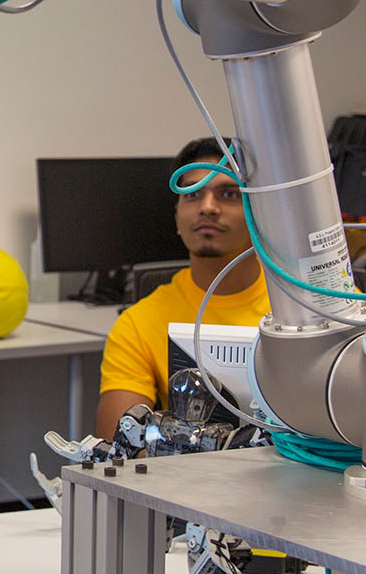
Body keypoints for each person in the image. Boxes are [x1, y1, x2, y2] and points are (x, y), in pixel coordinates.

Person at [95, 136, 269, 440]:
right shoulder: (139, 324)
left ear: (260, 212)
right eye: (192, 195)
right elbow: (118, 453)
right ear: (177, 217)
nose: (207, 207)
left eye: (228, 193)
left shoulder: (314, 308)